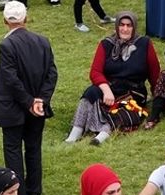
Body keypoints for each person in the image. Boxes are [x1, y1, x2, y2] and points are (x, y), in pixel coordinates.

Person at [0, 1, 56, 195]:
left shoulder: (7, 45)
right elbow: (51, 74)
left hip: (14, 107)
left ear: (5, 21)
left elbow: (10, 79)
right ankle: (35, 189)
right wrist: (41, 100)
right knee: (33, 147)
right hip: (37, 107)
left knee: (13, 151)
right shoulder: (43, 41)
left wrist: (29, 101)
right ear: (25, 19)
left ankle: (17, 192)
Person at [64, 12, 159, 146]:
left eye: (129, 26)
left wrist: (158, 98)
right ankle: (74, 134)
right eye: (121, 25)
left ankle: (101, 137)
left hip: (134, 92)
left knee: (124, 110)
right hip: (110, 88)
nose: (125, 29)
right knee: (90, 93)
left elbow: (154, 73)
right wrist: (106, 89)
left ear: (134, 27)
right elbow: (95, 71)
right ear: (117, 26)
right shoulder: (106, 44)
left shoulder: (144, 44)